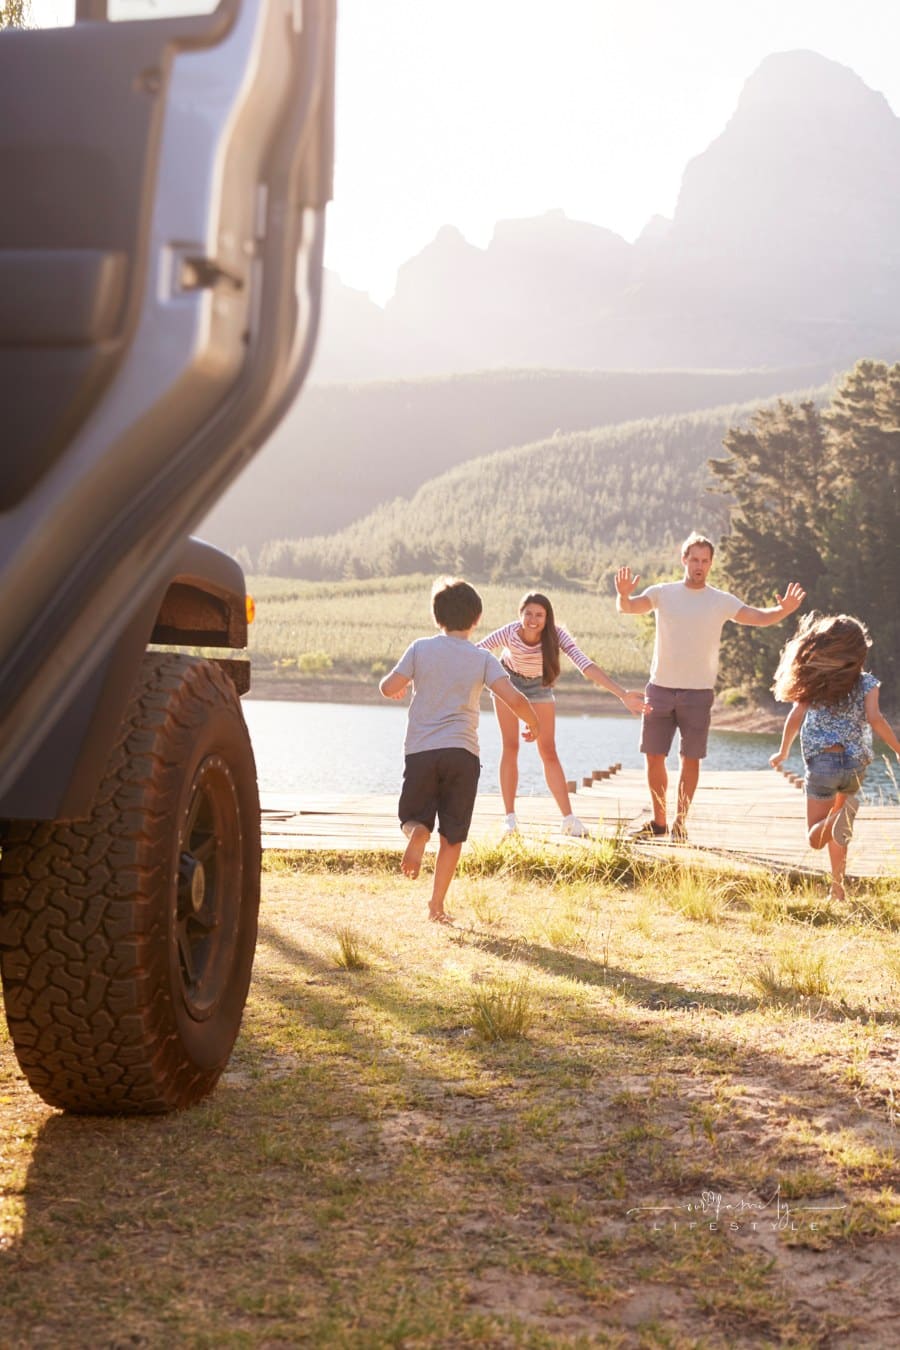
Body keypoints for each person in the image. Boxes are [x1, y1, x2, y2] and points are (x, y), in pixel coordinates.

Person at [615, 532, 806, 841]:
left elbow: (756, 617)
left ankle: (680, 823)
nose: (699, 566)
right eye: (694, 560)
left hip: (698, 694)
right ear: (684, 560)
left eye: (705, 561)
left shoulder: (721, 600)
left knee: (690, 759)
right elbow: (629, 607)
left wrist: (782, 611)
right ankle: (659, 821)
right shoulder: (662, 593)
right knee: (653, 756)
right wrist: (623, 595)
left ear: (711, 563)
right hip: (660, 689)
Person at [379, 577, 540, 923]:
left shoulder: (420, 648)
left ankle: (417, 833)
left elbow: (387, 686)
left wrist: (397, 687)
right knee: (453, 834)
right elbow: (514, 698)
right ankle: (436, 905)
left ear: (437, 617)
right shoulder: (482, 658)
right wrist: (533, 723)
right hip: (463, 754)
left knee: (411, 815)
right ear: (476, 619)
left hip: (422, 751)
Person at [476, 591, 649, 836]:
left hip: (540, 686)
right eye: (528, 614)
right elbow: (476, 652)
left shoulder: (556, 636)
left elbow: (585, 665)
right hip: (508, 682)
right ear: (520, 614)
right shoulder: (510, 632)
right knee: (511, 746)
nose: (533, 620)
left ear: (547, 618)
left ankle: (569, 819)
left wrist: (622, 694)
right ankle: (510, 820)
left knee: (548, 750)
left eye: (539, 615)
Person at [769, 613, 900, 901]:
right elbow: (876, 719)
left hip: (822, 764)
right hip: (855, 764)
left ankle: (840, 820)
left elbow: (795, 717)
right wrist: (898, 750)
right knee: (839, 831)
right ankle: (837, 890)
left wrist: (783, 751)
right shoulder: (868, 683)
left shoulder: (815, 680)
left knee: (815, 838)